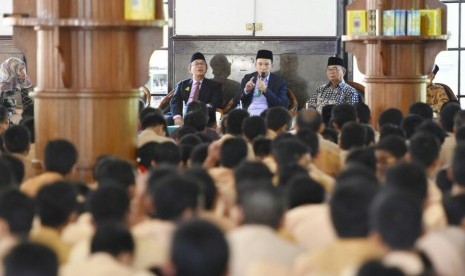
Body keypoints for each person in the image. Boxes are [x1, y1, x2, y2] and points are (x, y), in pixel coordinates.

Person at [169, 52, 223, 126]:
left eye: (202, 64)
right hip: (183, 116)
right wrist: (177, 117)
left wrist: (204, 107)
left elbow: (216, 102)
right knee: (166, 120)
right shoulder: (182, 84)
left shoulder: (214, 85)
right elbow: (175, 102)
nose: (200, 66)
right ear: (190, 69)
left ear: (206, 69)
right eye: (197, 64)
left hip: (203, 116)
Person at [240, 49, 289, 116]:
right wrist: (246, 90)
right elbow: (238, 99)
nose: (263, 68)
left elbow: (283, 105)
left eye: (267, 64)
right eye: (260, 64)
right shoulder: (247, 78)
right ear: (255, 65)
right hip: (248, 114)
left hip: (268, 116)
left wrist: (266, 90)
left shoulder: (280, 82)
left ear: (272, 65)